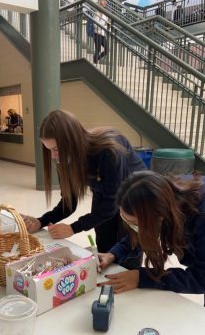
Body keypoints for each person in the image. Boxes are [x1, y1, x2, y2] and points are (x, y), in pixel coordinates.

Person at [22, 109, 146, 254]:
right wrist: (41, 221)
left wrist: (73, 228)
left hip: (136, 199)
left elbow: (111, 204)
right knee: (104, 240)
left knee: (126, 249)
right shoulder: (64, 157)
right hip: (106, 193)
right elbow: (69, 202)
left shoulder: (109, 150)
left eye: (56, 149)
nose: (54, 156)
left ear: (72, 139)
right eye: (49, 149)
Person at [99, 171, 205, 294]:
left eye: (136, 223)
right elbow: (141, 231)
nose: (133, 227)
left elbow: (201, 280)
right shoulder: (163, 193)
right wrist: (113, 254)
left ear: (159, 216)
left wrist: (143, 277)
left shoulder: (200, 219)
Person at [93, 0, 109, 64]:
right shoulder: (97, 13)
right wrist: (104, 25)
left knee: (107, 50)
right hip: (97, 33)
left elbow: (106, 23)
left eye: (104, 5)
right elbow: (95, 24)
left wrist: (107, 25)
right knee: (98, 49)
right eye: (103, 5)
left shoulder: (105, 15)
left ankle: (98, 58)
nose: (104, 6)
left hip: (103, 34)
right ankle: (95, 61)